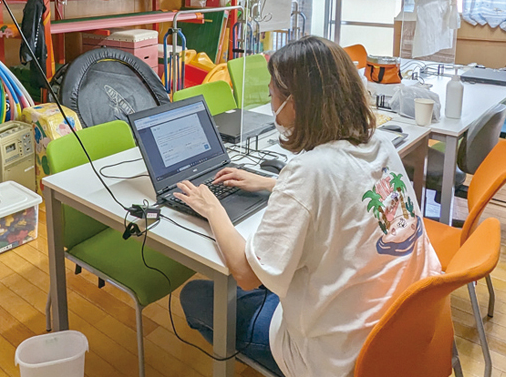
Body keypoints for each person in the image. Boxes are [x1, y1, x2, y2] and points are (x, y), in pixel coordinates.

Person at [174, 37, 442, 377]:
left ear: (296, 102)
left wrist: (212, 208)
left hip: (339, 360)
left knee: (197, 296)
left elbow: (245, 274)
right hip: (403, 329)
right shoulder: (378, 142)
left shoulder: (309, 172)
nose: (271, 104)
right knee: (286, 272)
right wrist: (273, 183)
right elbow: (348, 189)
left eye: (273, 94)